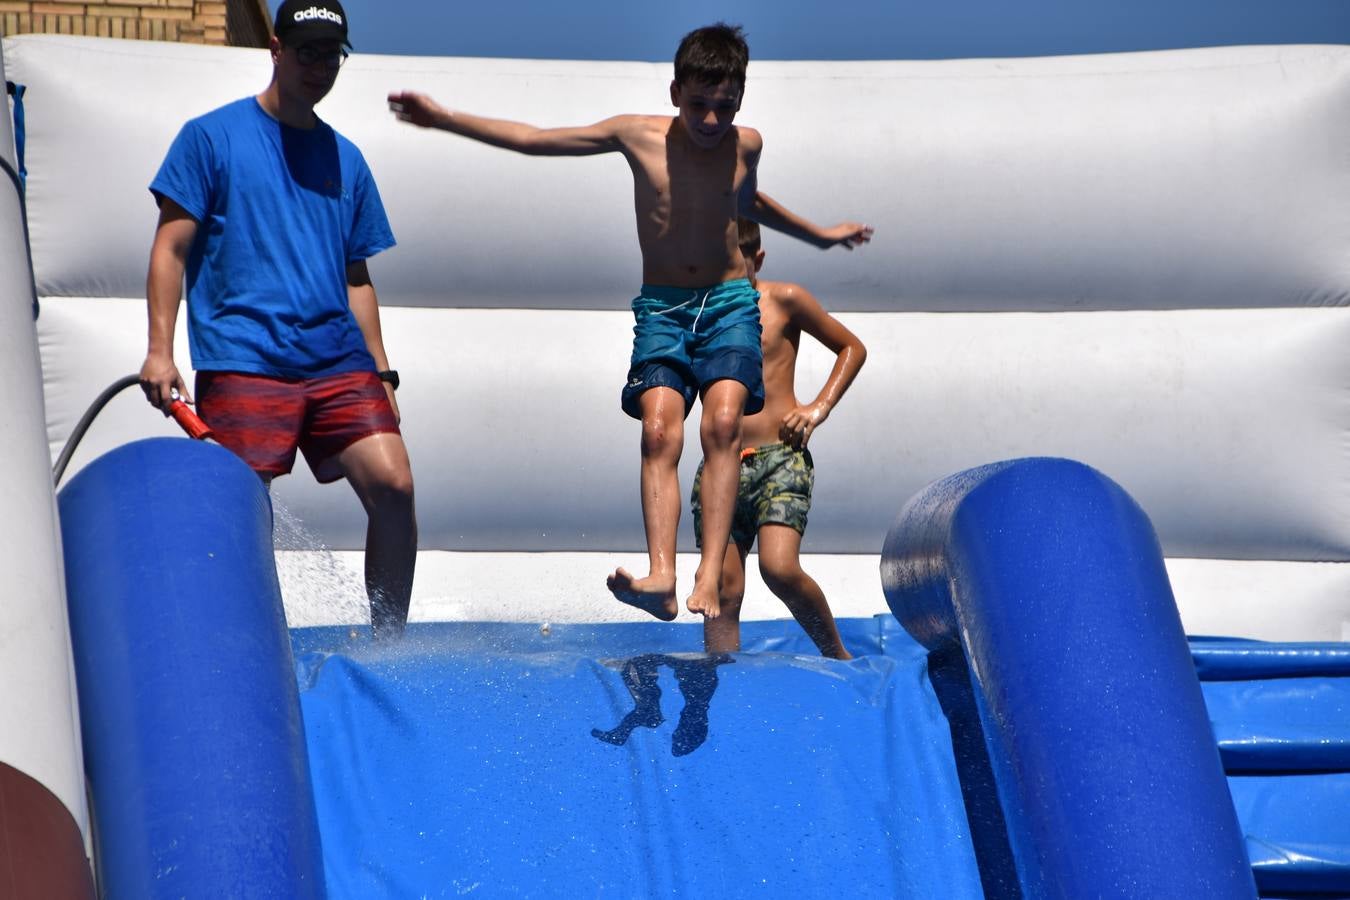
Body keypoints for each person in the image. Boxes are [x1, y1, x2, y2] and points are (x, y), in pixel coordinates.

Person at [388, 23, 869, 622]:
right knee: (658, 433)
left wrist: (820, 235)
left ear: (741, 99)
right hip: (664, 306)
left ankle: (706, 576)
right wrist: (446, 119)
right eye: (700, 106)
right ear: (675, 93)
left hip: (726, 302)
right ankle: (662, 577)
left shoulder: (746, 145)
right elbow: (537, 140)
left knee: (722, 425)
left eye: (726, 107)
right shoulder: (636, 136)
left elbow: (748, 203)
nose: (713, 121)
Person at [138, 0, 416, 639]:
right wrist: (159, 350)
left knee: (395, 486)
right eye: (308, 51)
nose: (320, 66)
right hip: (245, 358)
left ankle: (389, 648)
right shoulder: (210, 137)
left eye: (331, 55)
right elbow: (170, 248)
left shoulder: (346, 159)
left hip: (338, 361)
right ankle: (247, 645)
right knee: (240, 507)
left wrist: (384, 374)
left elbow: (356, 277)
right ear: (276, 48)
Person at [692, 220, 865, 659]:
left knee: (779, 567)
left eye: (736, 265)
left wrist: (816, 408)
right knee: (724, 588)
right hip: (722, 462)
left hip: (780, 458)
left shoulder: (784, 300)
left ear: (757, 259)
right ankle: (723, 672)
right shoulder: (700, 310)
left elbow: (852, 347)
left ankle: (836, 654)